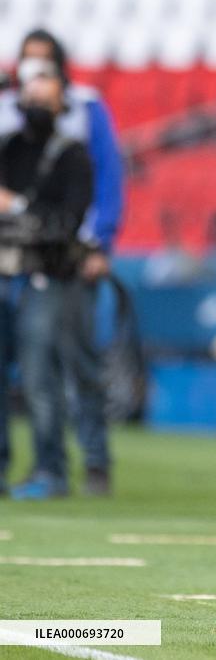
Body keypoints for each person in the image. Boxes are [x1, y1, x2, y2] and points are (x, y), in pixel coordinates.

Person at [0, 29, 124, 497]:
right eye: (28, 68)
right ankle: (33, 465)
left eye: (44, 68)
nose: (35, 79)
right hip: (16, 264)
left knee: (71, 363)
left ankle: (89, 462)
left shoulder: (86, 114)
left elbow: (106, 183)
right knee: (33, 365)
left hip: (67, 260)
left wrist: (100, 245)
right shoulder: (10, 134)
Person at [0, 59, 92, 500]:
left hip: (48, 274)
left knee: (40, 375)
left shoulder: (72, 154)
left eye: (45, 90)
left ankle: (50, 469)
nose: (35, 99)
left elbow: (69, 222)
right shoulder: (8, 147)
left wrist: (16, 208)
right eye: (29, 91)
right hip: (7, 272)